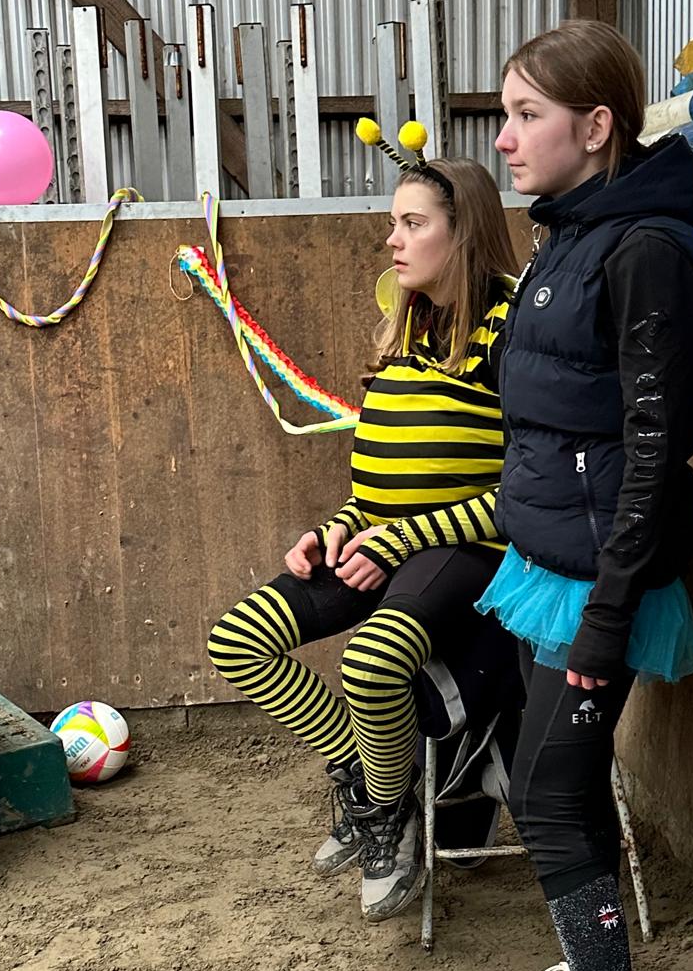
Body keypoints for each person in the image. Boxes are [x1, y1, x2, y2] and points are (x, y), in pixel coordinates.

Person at [368, 21, 693, 971]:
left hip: (600, 579)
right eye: (507, 116)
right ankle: (588, 966)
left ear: (596, 126)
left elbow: (656, 451)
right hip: (544, 562)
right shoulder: (567, 234)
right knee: (548, 785)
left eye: (527, 116)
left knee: (554, 799)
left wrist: (609, 616)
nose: (506, 139)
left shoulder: (647, 250)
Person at [208, 156, 517, 921]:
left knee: (372, 661)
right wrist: (337, 528)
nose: (392, 240)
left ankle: (386, 811)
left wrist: (399, 538)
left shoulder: (513, 327)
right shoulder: (408, 327)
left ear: (464, 233)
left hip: (469, 550)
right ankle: (381, 785)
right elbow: (382, 480)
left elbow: (527, 495)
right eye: (392, 223)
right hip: (385, 540)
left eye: (412, 223)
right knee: (238, 641)